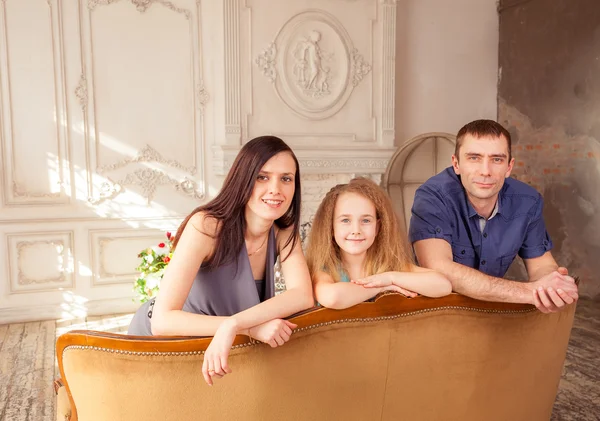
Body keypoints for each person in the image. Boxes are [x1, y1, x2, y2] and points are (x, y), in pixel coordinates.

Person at [127, 136, 314, 386]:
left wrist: (235, 325)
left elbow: (302, 295)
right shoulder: (207, 226)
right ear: (243, 179)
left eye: (286, 178)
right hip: (169, 342)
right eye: (262, 176)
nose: (275, 189)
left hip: (226, 342)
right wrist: (247, 329)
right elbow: (162, 321)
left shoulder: (283, 229)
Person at [409, 119, 579, 313]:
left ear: (509, 167)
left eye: (496, 159)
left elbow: (541, 265)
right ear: (456, 164)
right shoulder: (432, 197)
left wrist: (551, 284)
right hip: (435, 313)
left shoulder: (528, 201)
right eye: (474, 158)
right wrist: (527, 292)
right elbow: (439, 268)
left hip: (491, 314)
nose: (485, 171)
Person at [306, 177, 451, 309]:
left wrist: (390, 278)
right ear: (330, 227)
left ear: (378, 227)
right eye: (345, 220)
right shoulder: (324, 269)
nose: (356, 230)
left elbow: (442, 285)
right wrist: (382, 287)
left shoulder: (389, 267)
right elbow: (333, 298)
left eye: (366, 220)